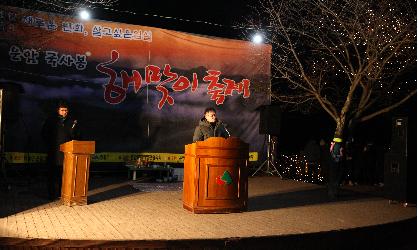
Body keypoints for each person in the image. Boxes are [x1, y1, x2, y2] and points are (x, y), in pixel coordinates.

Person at [41, 102, 79, 200]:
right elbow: (44, 134)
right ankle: (51, 195)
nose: (64, 112)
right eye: (62, 110)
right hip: (53, 153)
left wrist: (74, 131)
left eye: (66, 110)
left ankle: (62, 194)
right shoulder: (51, 121)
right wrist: (50, 145)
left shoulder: (71, 122)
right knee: (51, 175)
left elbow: (75, 137)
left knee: (63, 175)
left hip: (66, 154)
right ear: (58, 111)